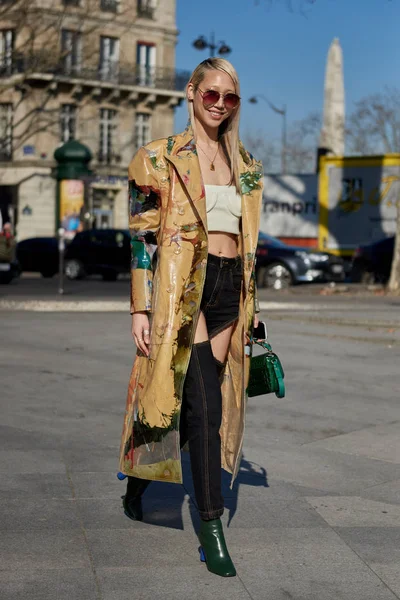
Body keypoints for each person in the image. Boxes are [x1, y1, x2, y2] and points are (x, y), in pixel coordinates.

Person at [119, 58, 263, 577]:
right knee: (205, 407)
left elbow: (247, 246)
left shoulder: (245, 163)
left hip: (229, 291)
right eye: (211, 95)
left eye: (230, 98)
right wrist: (139, 305)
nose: (220, 105)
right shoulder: (158, 158)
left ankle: (140, 477)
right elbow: (140, 239)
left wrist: (253, 309)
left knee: (191, 399)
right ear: (191, 93)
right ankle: (211, 524)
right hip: (185, 290)